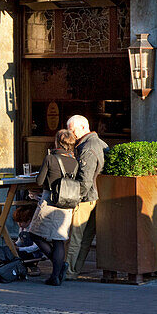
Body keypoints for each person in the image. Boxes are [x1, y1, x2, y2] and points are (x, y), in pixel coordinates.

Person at [26, 129, 78, 286]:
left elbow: (40, 181)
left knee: (34, 234)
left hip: (50, 202)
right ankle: (56, 274)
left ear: (57, 142)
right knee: (59, 241)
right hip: (67, 203)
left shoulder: (50, 158)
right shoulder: (74, 162)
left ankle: (59, 268)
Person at [66, 114, 107, 281]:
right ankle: (73, 271)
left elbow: (85, 179)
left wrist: (76, 199)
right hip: (96, 197)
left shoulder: (87, 147)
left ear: (83, 127)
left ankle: (67, 271)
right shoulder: (100, 143)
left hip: (86, 199)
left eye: (73, 130)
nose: (71, 134)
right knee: (85, 238)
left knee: (75, 238)